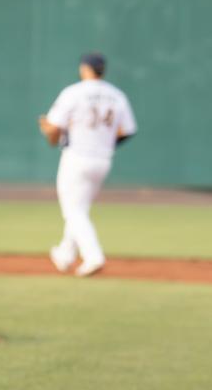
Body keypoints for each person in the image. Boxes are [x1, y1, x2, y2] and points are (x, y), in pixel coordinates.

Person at [38, 52, 138, 277]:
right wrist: (105, 142)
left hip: (76, 157)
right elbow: (128, 130)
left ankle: (94, 257)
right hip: (103, 159)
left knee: (73, 210)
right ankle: (65, 254)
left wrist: (48, 131)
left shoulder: (74, 92)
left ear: (84, 68)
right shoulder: (117, 95)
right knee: (80, 208)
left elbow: (54, 128)